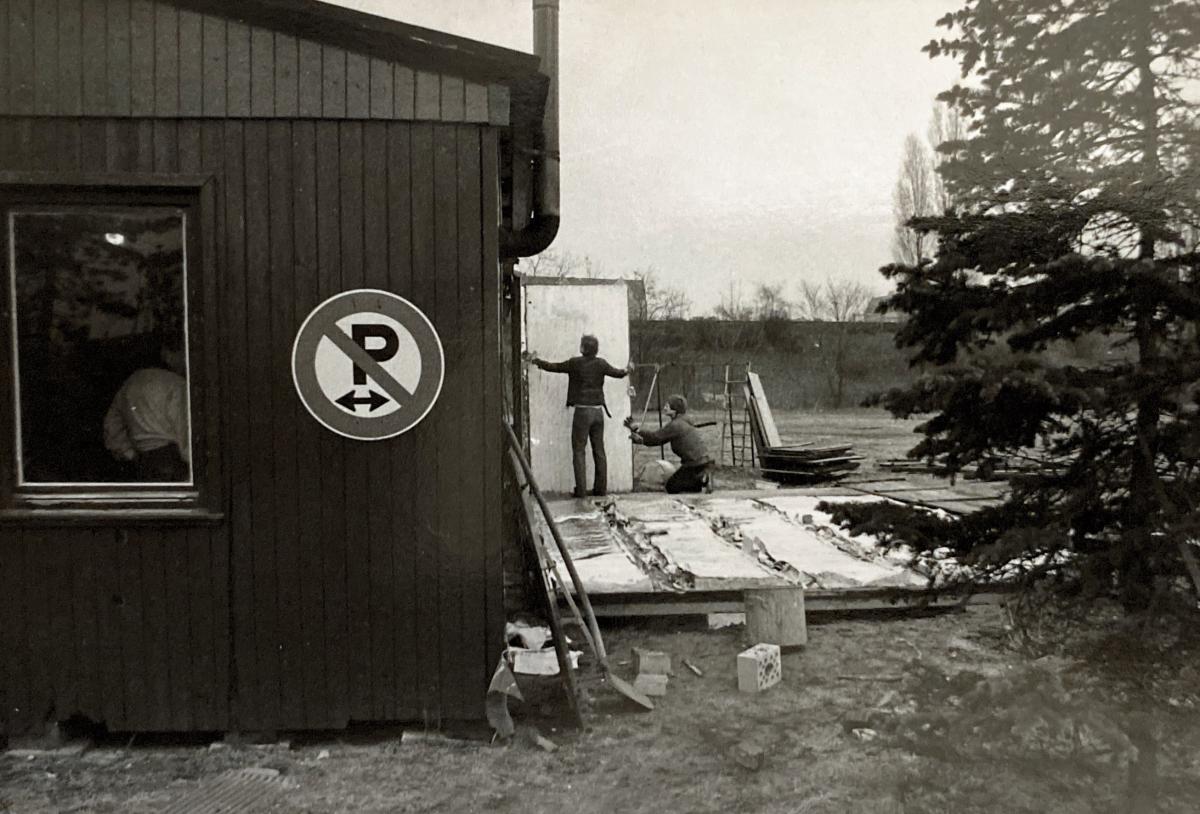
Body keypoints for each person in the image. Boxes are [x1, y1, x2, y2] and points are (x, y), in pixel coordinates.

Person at [529, 334, 633, 498]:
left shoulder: (575, 363)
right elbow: (619, 373)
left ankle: (581, 491)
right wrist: (628, 369)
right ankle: (600, 489)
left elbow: (555, 367)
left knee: (579, 451)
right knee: (599, 451)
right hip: (598, 411)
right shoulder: (601, 363)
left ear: (583, 348)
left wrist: (537, 361)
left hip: (583, 412)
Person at [103, 340, 191, 482]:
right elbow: (185, 430)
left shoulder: (130, 383)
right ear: (167, 355)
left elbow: (112, 429)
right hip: (174, 462)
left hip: (144, 463)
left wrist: (132, 455)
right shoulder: (176, 384)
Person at [630, 394, 712, 494]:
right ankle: (701, 480)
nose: (664, 408)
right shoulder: (684, 420)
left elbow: (655, 438)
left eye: (667, 406)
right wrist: (640, 437)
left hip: (693, 464)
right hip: (703, 462)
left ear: (674, 409)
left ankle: (701, 481)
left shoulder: (675, 425)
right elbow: (656, 438)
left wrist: (637, 431)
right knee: (685, 485)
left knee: (671, 487)